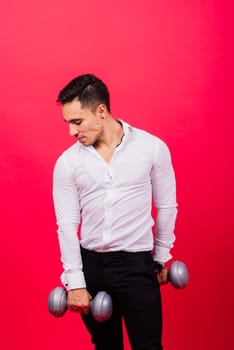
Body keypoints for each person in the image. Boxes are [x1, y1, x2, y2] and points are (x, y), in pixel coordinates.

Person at [53, 73, 178, 350]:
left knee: (148, 346)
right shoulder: (67, 163)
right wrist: (75, 282)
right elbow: (67, 224)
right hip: (92, 266)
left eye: (77, 122)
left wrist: (160, 258)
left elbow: (166, 206)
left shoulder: (152, 148)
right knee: (105, 346)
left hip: (136, 265)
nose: (72, 132)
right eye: (68, 123)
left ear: (101, 111)